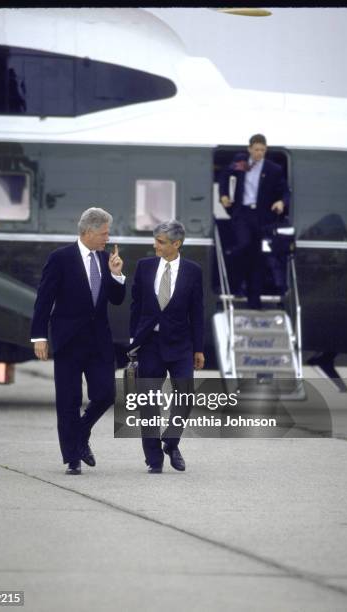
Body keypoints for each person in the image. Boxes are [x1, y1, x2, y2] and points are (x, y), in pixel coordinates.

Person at [31, 207, 125, 475]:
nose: (107, 238)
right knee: (68, 401)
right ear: (88, 231)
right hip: (68, 341)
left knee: (106, 393)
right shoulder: (60, 258)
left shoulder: (107, 258)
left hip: (99, 342)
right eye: (104, 233)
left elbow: (116, 299)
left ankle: (81, 433)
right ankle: (72, 457)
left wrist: (117, 274)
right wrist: (39, 335)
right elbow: (44, 299)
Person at [130, 220, 205, 473]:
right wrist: (134, 340)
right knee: (149, 403)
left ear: (177, 244)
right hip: (149, 345)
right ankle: (154, 460)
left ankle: (171, 442)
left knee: (185, 397)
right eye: (155, 240)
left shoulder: (193, 271)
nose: (155, 245)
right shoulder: (144, 266)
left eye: (160, 242)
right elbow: (136, 306)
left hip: (181, 345)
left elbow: (197, 312)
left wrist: (199, 349)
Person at [219, 133, 290, 309]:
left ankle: (254, 299)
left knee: (258, 257)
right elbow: (223, 177)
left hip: (262, 216)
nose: (259, 153)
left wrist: (281, 202)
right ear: (249, 149)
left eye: (263, 150)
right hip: (242, 213)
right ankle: (237, 284)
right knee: (243, 246)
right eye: (256, 149)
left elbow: (285, 191)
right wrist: (224, 195)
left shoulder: (274, 169)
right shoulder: (240, 163)